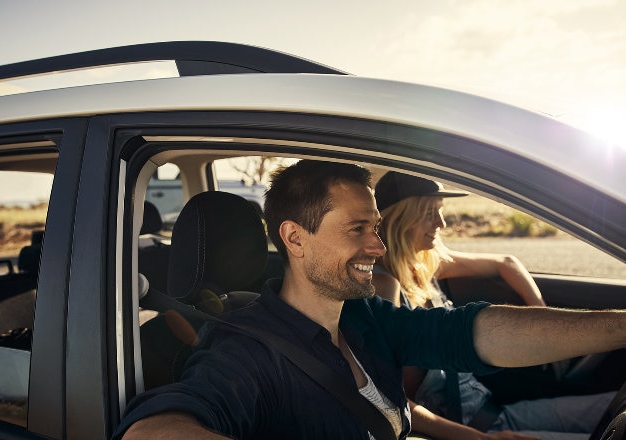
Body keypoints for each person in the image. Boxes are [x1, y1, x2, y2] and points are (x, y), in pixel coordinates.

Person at [116, 160, 625, 440]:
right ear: (294, 238)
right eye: (357, 229)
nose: (377, 247)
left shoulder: (362, 316)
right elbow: (153, 432)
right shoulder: (245, 350)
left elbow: (471, 333)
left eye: (376, 228)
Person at [372, 171, 617, 440]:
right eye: (429, 213)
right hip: (474, 430)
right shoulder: (386, 289)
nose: (441, 223)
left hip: (494, 412)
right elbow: (393, 403)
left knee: (614, 405)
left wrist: (541, 319)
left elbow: (506, 263)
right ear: (400, 218)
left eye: (440, 211)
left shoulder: (425, 263)